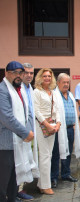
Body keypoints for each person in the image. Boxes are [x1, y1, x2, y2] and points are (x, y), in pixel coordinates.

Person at [0, 61, 34, 202]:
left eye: (21, 72)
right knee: (3, 179)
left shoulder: (19, 90)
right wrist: (25, 133)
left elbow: (28, 113)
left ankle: (13, 198)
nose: (19, 76)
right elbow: (6, 117)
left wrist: (29, 130)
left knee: (16, 175)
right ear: (6, 73)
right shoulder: (2, 90)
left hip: (18, 142)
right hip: (6, 143)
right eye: (15, 73)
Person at [51, 73, 80, 188]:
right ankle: (53, 177)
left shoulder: (70, 95)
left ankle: (65, 174)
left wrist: (77, 126)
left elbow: (75, 111)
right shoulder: (54, 95)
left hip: (70, 129)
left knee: (68, 152)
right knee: (55, 154)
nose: (66, 84)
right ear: (58, 83)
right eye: (64, 82)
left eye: (68, 82)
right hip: (58, 129)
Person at [34, 68, 61, 195]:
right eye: (44, 76)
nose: (47, 78)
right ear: (40, 78)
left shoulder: (53, 92)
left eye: (49, 76)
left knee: (48, 155)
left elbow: (57, 109)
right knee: (44, 156)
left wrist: (58, 123)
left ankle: (41, 183)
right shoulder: (36, 92)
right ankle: (45, 186)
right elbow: (36, 111)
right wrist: (46, 125)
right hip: (41, 126)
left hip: (53, 125)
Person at [17, 63, 40, 201]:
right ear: (20, 73)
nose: (29, 75)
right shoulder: (17, 89)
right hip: (19, 132)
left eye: (31, 73)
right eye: (26, 72)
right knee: (18, 161)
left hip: (30, 131)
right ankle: (16, 190)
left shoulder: (30, 89)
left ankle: (22, 188)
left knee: (26, 159)